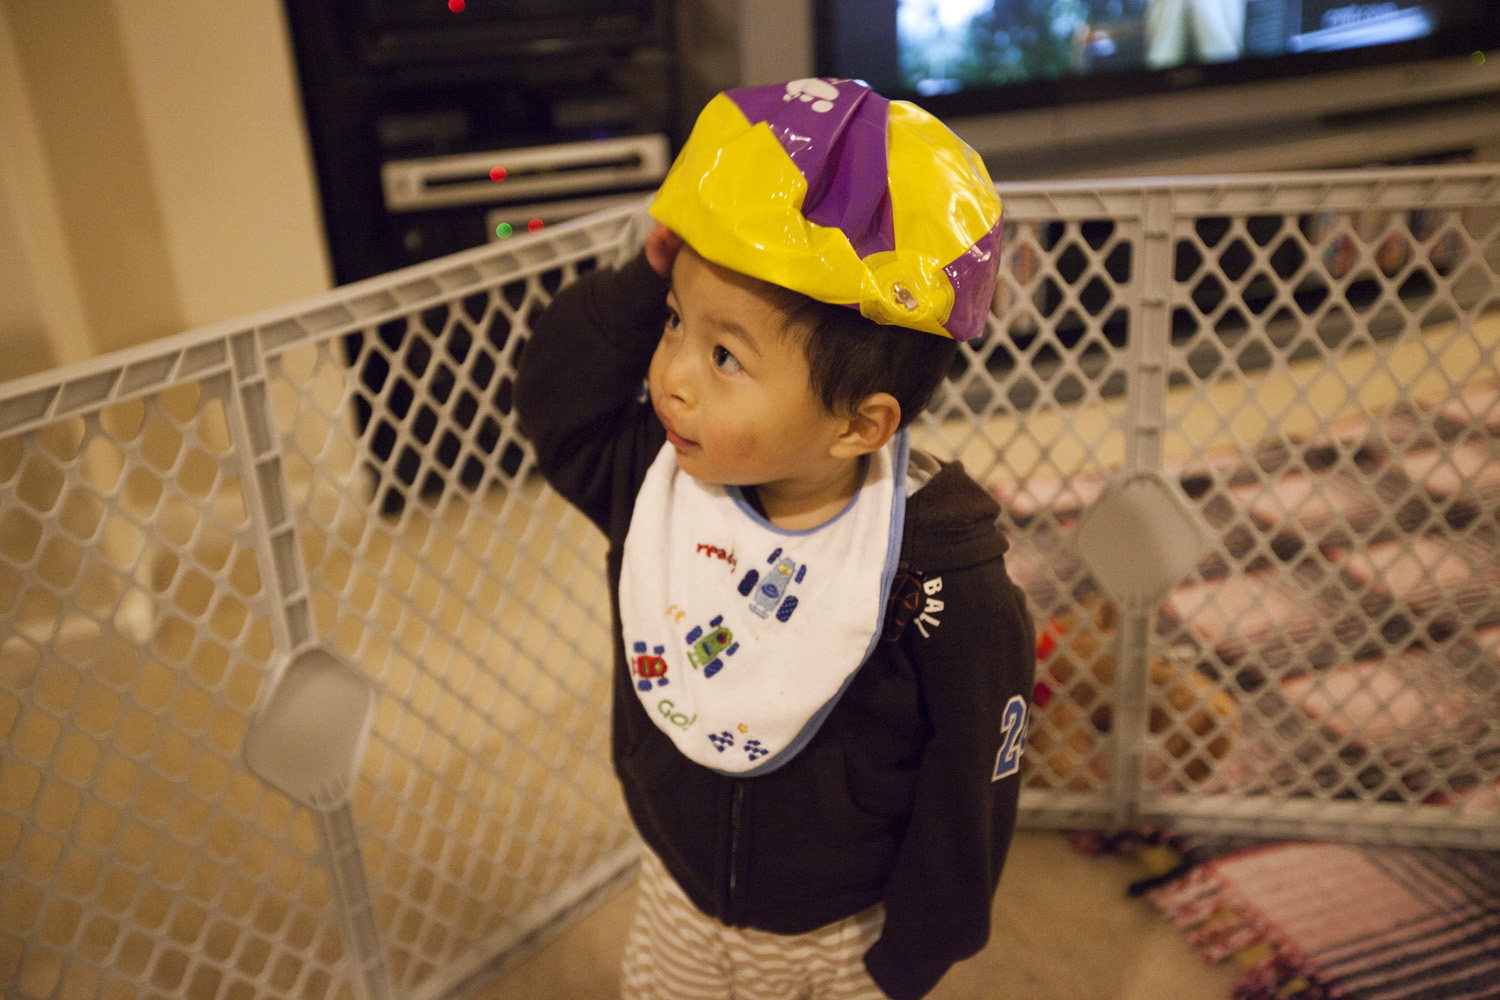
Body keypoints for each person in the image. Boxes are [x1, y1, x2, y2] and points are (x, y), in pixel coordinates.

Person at [515, 77, 1036, 1000]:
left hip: (837, 938)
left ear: (861, 425)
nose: (672, 378)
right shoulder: (656, 480)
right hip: (675, 887)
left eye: (725, 356)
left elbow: (971, 782)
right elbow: (557, 404)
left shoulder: (943, 582)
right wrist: (644, 281)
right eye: (675, 323)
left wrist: (919, 950)